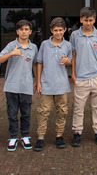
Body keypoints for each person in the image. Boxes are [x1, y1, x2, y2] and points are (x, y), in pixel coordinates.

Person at [0, 19, 38, 151]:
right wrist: (11, 53)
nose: (24, 32)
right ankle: (13, 137)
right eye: (21, 29)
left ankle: (25, 136)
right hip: (12, 86)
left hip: (26, 86)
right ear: (17, 31)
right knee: (12, 113)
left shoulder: (34, 47)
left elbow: (36, 64)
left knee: (26, 113)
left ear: (30, 32)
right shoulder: (11, 45)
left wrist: (37, 80)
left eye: (26, 29)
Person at [34, 17, 72, 151]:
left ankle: (59, 135)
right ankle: (40, 137)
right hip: (46, 84)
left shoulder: (67, 45)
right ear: (51, 30)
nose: (58, 33)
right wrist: (38, 82)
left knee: (62, 111)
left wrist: (68, 62)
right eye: (55, 30)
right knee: (43, 112)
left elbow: (71, 63)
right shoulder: (44, 44)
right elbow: (39, 63)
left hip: (62, 85)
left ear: (65, 30)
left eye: (60, 30)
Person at [70, 7, 97, 147]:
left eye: (91, 20)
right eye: (85, 20)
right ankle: (77, 133)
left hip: (96, 77)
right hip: (81, 78)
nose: (88, 23)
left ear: (94, 20)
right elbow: (73, 55)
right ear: (81, 19)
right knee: (79, 108)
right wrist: (73, 75)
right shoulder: (74, 35)